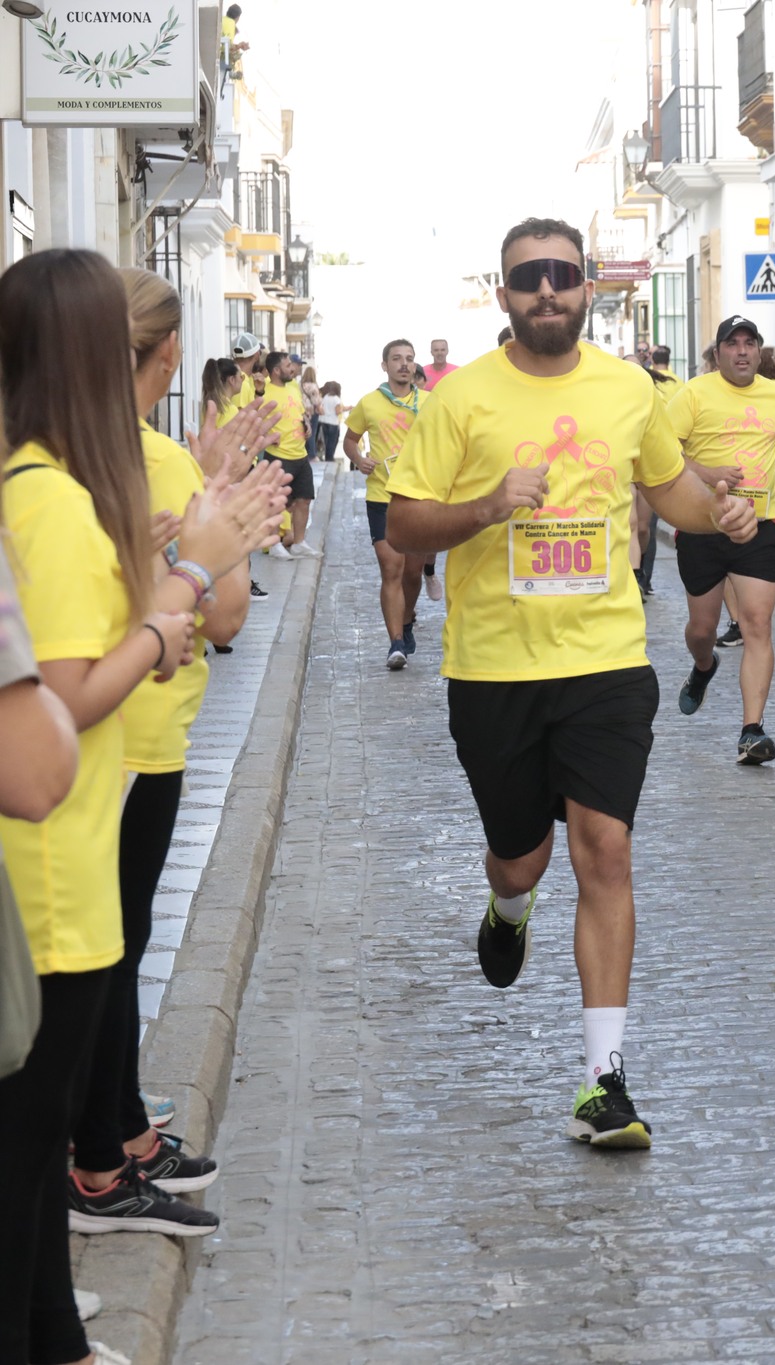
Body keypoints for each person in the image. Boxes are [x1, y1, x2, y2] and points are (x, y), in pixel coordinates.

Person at [384, 218, 760, 1149]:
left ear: (587, 285)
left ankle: (603, 1081)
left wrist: (723, 511)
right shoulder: (461, 399)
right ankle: (508, 904)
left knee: (605, 849)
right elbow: (404, 521)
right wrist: (486, 505)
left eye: (562, 275)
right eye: (527, 278)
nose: (546, 291)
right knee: (525, 857)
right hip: (495, 667)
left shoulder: (630, 389)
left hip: (604, 659)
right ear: (502, 290)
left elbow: (668, 488)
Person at [0, 249, 285, 1365]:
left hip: (56, 862)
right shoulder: (53, 504)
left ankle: (57, 1335)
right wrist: (178, 598)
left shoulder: (38, 484)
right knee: (27, 1149)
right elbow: (66, 700)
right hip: (53, 872)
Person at [66, 268, 273, 1240]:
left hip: (113, 731)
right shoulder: (135, 460)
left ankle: (118, 1134)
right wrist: (212, 526)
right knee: (107, 955)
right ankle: (99, 1160)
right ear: (160, 361)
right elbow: (226, 613)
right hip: (130, 733)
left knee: (104, 953)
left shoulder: (59, 455)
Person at [668, 316, 775, 763]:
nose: (743, 351)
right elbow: (663, 451)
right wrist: (706, 474)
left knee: (757, 625)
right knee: (702, 630)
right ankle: (704, 666)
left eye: (750, 343)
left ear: (759, 351)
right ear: (718, 353)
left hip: (760, 524)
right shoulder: (693, 393)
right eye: (733, 344)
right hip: (702, 525)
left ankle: (752, 730)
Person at [344, 339, 429, 668]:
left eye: (409, 359)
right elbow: (351, 440)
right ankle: (395, 642)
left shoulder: (430, 403)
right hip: (382, 496)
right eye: (396, 359)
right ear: (385, 366)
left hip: (420, 496)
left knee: (413, 572)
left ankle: (406, 622)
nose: (403, 364)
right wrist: (359, 459)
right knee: (391, 569)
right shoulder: (369, 403)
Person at [256, 349, 318, 560]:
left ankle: (299, 542)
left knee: (304, 499)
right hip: (279, 455)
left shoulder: (293, 387)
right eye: (287, 365)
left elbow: (300, 413)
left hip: (300, 454)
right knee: (276, 501)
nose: (292, 368)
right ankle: (274, 545)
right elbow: (256, 419)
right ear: (275, 370)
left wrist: (307, 424)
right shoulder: (265, 392)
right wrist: (266, 434)